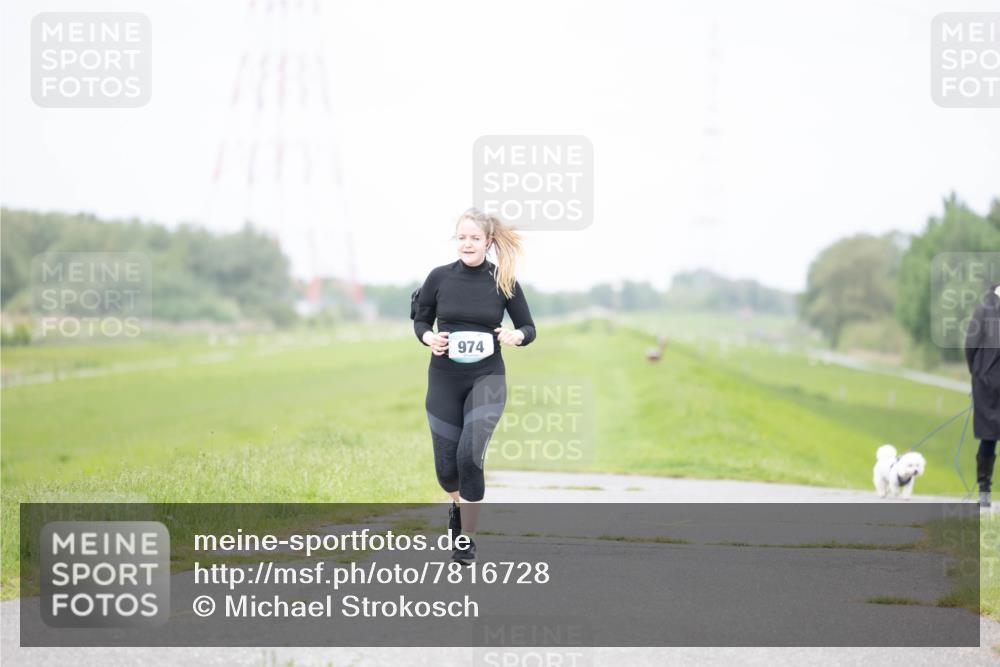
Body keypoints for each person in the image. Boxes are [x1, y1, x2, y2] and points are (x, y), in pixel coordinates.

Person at [411, 207, 536, 563]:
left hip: (487, 378)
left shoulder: (503, 280)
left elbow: (529, 328)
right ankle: (458, 507)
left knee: (470, 455)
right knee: (446, 471)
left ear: (488, 241)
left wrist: (516, 335)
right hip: (444, 380)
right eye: (462, 237)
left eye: (474, 238)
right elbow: (421, 320)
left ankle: (467, 538)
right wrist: (427, 339)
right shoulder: (438, 277)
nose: (467, 244)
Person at [965, 282, 1000, 507]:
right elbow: (971, 346)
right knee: (989, 437)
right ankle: (984, 489)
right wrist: (977, 376)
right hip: (987, 384)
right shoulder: (984, 310)